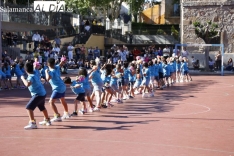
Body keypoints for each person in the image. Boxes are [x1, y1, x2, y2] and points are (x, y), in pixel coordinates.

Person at [21, 62, 51, 129]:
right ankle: (47, 120)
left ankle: (32, 123)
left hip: (38, 94)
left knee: (29, 108)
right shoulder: (35, 73)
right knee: (42, 107)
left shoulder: (30, 77)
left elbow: (27, 84)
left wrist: (22, 78)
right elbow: (34, 68)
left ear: (25, 70)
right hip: (43, 93)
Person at [45, 57, 70, 122]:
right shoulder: (56, 67)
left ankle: (57, 116)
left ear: (48, 64)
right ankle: (66, 113)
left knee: (51, 102)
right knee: (62, 100)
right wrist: (62, 60)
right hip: (62, 86)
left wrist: (46, 72)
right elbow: (61, 64)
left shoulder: (51, 71)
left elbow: (48, 78)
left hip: (57, 88)